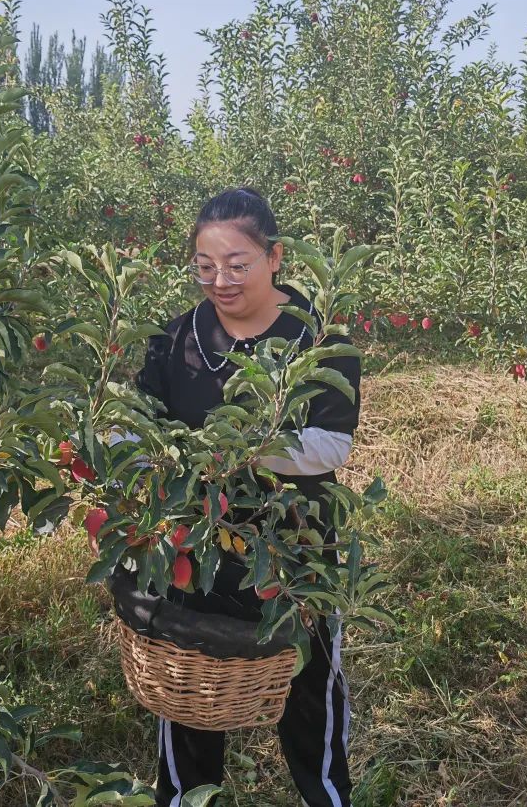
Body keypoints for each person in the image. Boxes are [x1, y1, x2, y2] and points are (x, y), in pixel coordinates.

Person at [134, 186, 361, 807]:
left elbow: (331, 444)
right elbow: (140, 423)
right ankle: (185, 797)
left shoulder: (316, 336)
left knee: (308, 689)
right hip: (193, 544)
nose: (221, 280)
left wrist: (239, 452)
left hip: (293, 547)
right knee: (189, 689)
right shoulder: (175, 339)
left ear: (276, 256)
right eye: (205, 267)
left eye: (238, 264)